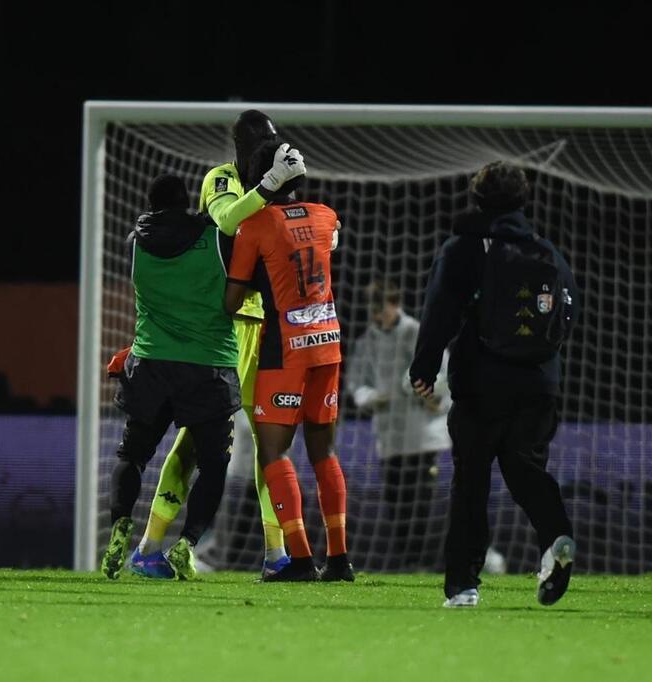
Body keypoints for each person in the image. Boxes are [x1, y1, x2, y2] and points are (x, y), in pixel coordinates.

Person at [133, 110, 308, 580]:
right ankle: (149, 546)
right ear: (240, 149)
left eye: (273, 142)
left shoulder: (283, 180)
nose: (269, 149)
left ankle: (276, 555)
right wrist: (272, 182)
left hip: (270, 331)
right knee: (197, 438)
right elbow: (228, 221)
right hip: (226, 327)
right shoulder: (223, 179)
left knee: (271, 442)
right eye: (260, 144)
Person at [409, 160, 579, 608]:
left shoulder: (466, 247)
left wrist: (424, 368)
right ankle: (556, 535)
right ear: (523, 201)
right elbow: (566, 315)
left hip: (483, 385)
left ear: (477, 200)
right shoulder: (546, 250)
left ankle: (464, 584)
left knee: (471, 482)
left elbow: (440, 309)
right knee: (525, 469)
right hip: (540, 383)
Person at [101, 174, 241, 580]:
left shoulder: (136, 242)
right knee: (213, 466)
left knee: (132, 456)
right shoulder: (216, 238)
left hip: (150, 364)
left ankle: (119, 528)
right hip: (207, 365)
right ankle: (188, 542)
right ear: (188, 202)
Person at [225, 139, 352, 582]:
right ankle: (338, 559)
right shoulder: (326, 215)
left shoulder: (254, 226)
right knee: (324, 452)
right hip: (329, 340)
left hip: (285, 346)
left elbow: (232, 298)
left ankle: (299, 559)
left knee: (274, 452)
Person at [346, 279, 450, 570]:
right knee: (396, 501)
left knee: (421, 503)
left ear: (394, 304)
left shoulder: (416, 331)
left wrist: (424, 391)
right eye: (372, 310)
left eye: (380, 309)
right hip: (389, 437)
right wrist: (370, 397)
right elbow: (356, 383)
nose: (377, 316)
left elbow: (444, 375)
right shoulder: (368, 340)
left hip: (423, 435)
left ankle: (424, 562)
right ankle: (409, 562)